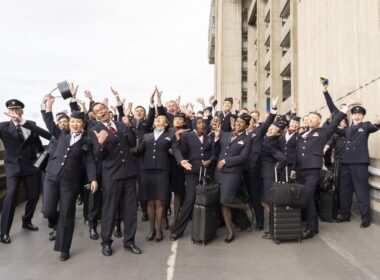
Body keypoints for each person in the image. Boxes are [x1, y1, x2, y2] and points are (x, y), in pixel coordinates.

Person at [290, 100, 356, 239]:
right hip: (301, 171)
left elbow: (334, 122)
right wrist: (294, 169)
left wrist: (346, 107)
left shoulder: (322, 132)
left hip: (313, 171)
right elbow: (297, 154)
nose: (310, 119)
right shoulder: (302, 135)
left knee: (308, 196)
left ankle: (311, 228)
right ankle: (313, 226)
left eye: (313, 118)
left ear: (319, 121)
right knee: (305, 197)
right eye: (309, 117)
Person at [43, 95, 98, 261]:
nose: (74, 124)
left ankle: (64, 248)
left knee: (67, 214)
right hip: (52, 177)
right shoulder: (62, 134)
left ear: (83, 124)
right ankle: (55, 224)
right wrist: (49, 107)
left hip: (70, 182)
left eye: (78, 122)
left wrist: (93, 179)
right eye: (72, 121)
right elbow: (49, 122)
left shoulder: (87, 141)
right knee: (48, 211)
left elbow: (89, 162)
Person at [92, 102, 142, 256]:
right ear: (95, 116)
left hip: (128, 174)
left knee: (130, 210)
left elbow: (132, 143)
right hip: (111, 176)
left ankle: (129, 242)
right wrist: (100, 145)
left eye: (103, 109)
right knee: (110, 210)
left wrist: (129, 126)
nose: (101, 112)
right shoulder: (94, 130)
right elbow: (97, 157)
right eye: (97, 111)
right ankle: (106, 242)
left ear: (108, 110)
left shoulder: (121, 125)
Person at [0, 99, 50, 244]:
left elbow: (42, 143)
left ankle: (26, 221)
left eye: (18, 109)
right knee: (11, 195)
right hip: (13, 167)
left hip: (30, 166)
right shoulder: (2, 127)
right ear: (8, 112)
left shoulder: (31, 125)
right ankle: (4, 232)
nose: (15, 112)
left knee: (34, 196)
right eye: (12, 110)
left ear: (22, 110)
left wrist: (41, 162)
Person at [136, 115, 182, 242]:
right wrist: (134, 147)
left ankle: (159, 229)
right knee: (150, 202)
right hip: (147, 170)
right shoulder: (146, 136)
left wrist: (181, 161)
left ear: (166, 124)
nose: (157, 119)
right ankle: (152, 230)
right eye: (156, 118)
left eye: (161, 118)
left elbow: (176, 150)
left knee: (160, 201)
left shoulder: (170, 135)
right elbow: (139, 151)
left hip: (162, 171)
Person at [170, 117, 215, 240]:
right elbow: (182, 151)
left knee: (208, 200)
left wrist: (210, 160)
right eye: (199, 123)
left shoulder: (209, 137)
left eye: (203, 123)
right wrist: (178, 140)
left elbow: (213, 154)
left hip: (207, 173)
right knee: (190, 200)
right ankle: (178, 230)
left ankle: (208, 230)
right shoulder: (186, 136)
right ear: (194, 124)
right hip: (192, 172)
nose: (202, 125)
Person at [335, 106, 380, 228]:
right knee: (345, 190)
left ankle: (365, 218)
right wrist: (341, 112)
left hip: (359, 163)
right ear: (352, 115)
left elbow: (374, 127)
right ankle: (345, 215)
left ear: (363, 116)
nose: (357, 116)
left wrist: (378, 124)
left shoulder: (365, 126)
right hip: (346, 163)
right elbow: (333, 127)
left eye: (360, 114)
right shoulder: (347, 129)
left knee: (361, 191)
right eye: (355, 114)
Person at [214, 113, 253, 243]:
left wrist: (226, 161)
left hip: (233, 173)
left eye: (242, 123)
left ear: (247, 126)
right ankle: (230, 232)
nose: (238, 123)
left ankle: (245, 206)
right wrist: (216, 138)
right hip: (219, 172)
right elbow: (216, 150)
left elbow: (243, 157)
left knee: (226, 199)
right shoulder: (226, 134)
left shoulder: (248, 139)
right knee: (222, 202)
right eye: (238, 121)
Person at [245, 97, 278, 231]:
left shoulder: (257, 133)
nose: (248, 123)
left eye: (250, 121)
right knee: (243, 197)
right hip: (238, 170)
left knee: (254, 196)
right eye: (246, 121)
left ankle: (260, 221)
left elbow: (267, 124)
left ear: (254, 123)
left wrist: (273, 109)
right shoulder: (237, 134)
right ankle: (245, 223)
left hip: (253, 169)